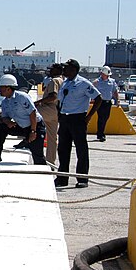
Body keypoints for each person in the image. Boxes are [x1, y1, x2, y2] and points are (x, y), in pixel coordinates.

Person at [0, 74, 47, 165]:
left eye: (1, 87)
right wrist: (8, 122)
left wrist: (33, 131)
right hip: (21, 126)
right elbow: (4, 117)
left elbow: (33, 114)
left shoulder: (22, 97)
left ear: (8, 88)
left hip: (35, 126)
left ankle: (42, 169)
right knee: (2, 127)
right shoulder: (5, 102)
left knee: (38, 156)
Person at [56, 59, 102, 188]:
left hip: (77, 119)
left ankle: (82, 178)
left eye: (67, 68)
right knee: (63, 149)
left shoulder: (83, 83)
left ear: (74, 70)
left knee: (81, 150)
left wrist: (88, 117)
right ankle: (62, 178)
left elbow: (98, 99)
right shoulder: (65, 83)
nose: (64, 70)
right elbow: (60, 101)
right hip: (65, 118)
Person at [34, 63, 64, 165]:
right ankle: (50, 161)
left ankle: (28, 143)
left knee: (30, 116)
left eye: (52, 70)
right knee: (52, 137)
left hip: (49, 109)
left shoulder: (54, 81)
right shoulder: (62, 80)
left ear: (57, 71)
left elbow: (53, 96)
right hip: (57, 111)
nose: (49, 71)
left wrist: (38, 103)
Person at [92, 65, 119, 142]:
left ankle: (100, 132)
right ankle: (101, 134)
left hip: (108, 102)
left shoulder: (112, 82)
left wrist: (117, 100)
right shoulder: (97, 82)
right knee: (101, 118)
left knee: (106, 118)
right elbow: (91, 90)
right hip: (100, 102)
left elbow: (115, 91)